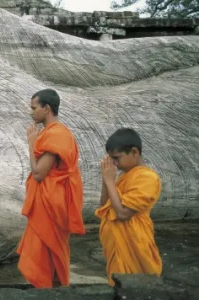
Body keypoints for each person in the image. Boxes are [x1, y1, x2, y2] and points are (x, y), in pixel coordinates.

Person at [17, 88, 85, 288]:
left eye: (34, 107)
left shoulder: (56, 135)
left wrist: (31, 144)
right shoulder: (53, 132)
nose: (31, 112)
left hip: (52, 203)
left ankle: (50, 291)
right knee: (50, 252)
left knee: (47, 252)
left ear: (46, 108)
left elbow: (39, 173)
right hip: (51, 200)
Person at [95, 128, 162, 286]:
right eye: (111, 159)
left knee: (138, 288)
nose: (115, 164)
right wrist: (106, 180)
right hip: (117, 245)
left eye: (117, 158)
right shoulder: (123, 177)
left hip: (135, 244)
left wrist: (110, 181)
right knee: (118, 287)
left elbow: (123, 214)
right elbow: (104, 206)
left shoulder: (148, 178)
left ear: (134, 152)